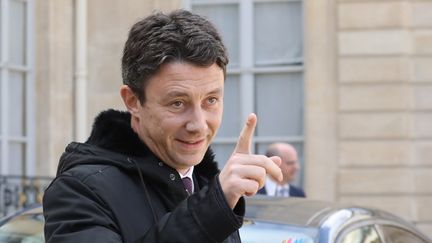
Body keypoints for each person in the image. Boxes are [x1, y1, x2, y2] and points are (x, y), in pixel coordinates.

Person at [43, 9, 282, 243]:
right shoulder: (78, 192)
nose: (198, 124)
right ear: (133, 101)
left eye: (211, 100)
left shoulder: (206, 183)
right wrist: (212, 207)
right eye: (178, 103)